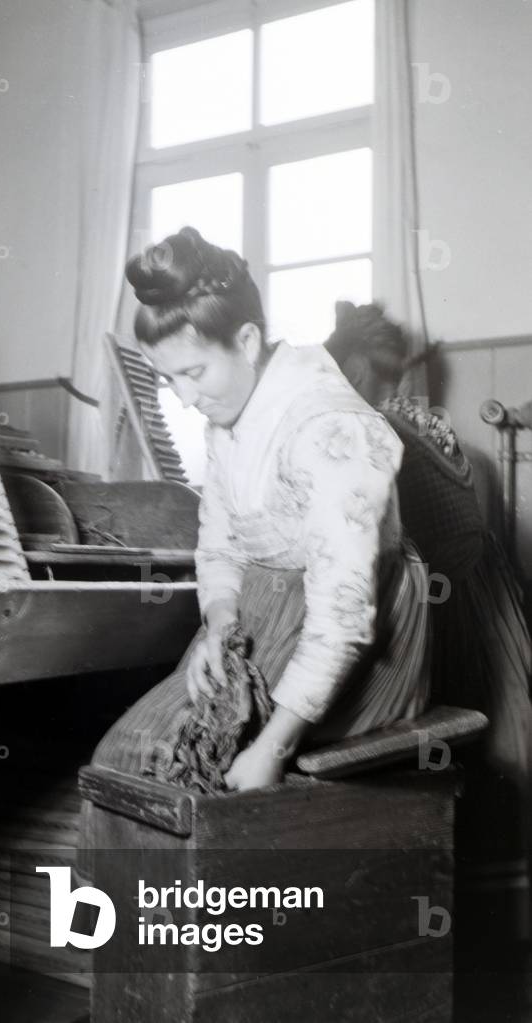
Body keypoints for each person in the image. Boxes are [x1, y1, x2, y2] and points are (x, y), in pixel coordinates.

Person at [90, 228, 430, 793]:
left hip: (363, 649)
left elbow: (343, 618)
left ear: (247, 341)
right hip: (266, 617)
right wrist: (220, 628)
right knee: (127, 755)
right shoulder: (230, 418)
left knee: (175, 767)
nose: (185, 399)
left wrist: (274, 747)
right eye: (167, 379)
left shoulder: (330, 426)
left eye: (194, 373)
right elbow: (220, 546)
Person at [325, 300, 532, 953]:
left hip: (454, 605)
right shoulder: (425, 422)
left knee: (469, 752)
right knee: (497, 750)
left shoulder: (371, 428)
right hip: (488, 598)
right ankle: (490, 927)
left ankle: (460, 928)